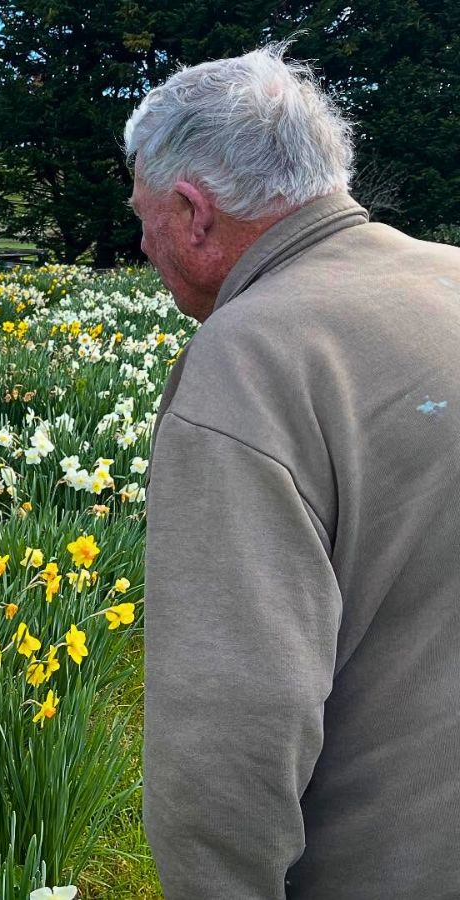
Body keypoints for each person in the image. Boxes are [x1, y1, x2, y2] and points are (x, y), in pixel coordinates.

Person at [124, 44, 460, 898]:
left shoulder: (250, 363)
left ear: (194, 213)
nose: (142, 242)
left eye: (145, 214)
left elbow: (230, 733)